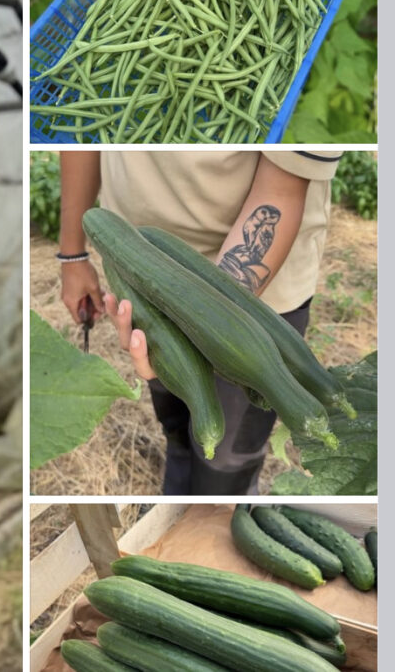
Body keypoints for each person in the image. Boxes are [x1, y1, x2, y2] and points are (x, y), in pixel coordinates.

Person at [58, 151, 342, 495]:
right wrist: (73, 254)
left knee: (227, 462)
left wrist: (207, 325)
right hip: (137, 265)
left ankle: (219, 514)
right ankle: (178, 497)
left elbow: (280, 190)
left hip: (256, 302)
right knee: (177, 426)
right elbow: (83, 144)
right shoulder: (130, 246)